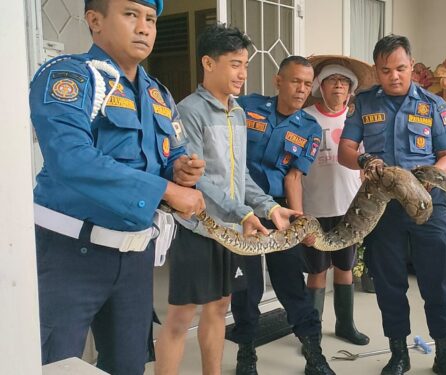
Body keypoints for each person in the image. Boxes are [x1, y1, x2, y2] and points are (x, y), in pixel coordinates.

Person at [28, 0, 206, 374]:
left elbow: (173, 153)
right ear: (95, 21)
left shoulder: (159, 94)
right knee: (55, 363)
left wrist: (182, 169)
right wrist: (167, 191)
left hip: (136, 256)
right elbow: (70, 158)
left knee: (128, 364)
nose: (144, 27)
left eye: (151, 19)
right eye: (130, 15)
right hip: (68, 254)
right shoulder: (72, 77)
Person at [154, 24, 301, 375]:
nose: (243, 73)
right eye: (235, 63)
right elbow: (197, 180)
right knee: (181, 316)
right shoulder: (188, 111)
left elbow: (240, 176)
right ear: (208, 63)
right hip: (198, 229)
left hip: (234, 231)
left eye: (246, 64)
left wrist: (271, 207)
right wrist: (244, 212)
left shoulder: (237, 113)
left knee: (220, 307)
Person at [338, 35, 446, 375]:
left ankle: (445, 354)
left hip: (428, 204)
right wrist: (364, 160)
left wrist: (429, 177)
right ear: (377, 71)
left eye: (401, 68)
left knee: (436, 283)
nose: (394, 76)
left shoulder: (433, 105)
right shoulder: (363, 103)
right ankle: (398, 353)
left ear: (412, 66)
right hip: (383, 208)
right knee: (389, 284)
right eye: (386, 70)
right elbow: (345, 150)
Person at [228, 55, 335, 375]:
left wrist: (299, 224)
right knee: (247, 287)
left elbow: (293, 178)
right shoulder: (246, 107)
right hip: (241, 208)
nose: (302, 89)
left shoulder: (311, 129)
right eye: (295, 81)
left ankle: (313, 351)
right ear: (278, 81)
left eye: (307, 83)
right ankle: (246, 351)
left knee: (290, 281)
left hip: (279, 210)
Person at [301, 56, 376, 346]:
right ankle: (312, 331)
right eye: (332, 81)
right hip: (315, 207)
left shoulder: (355, 120)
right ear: (321, 86)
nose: (338, 87)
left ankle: (346, 325)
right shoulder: (306, 117)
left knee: (345, 269)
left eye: (344, 83)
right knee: (317, 271)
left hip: (349, 208)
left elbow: (366, 166)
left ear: (350, 90)